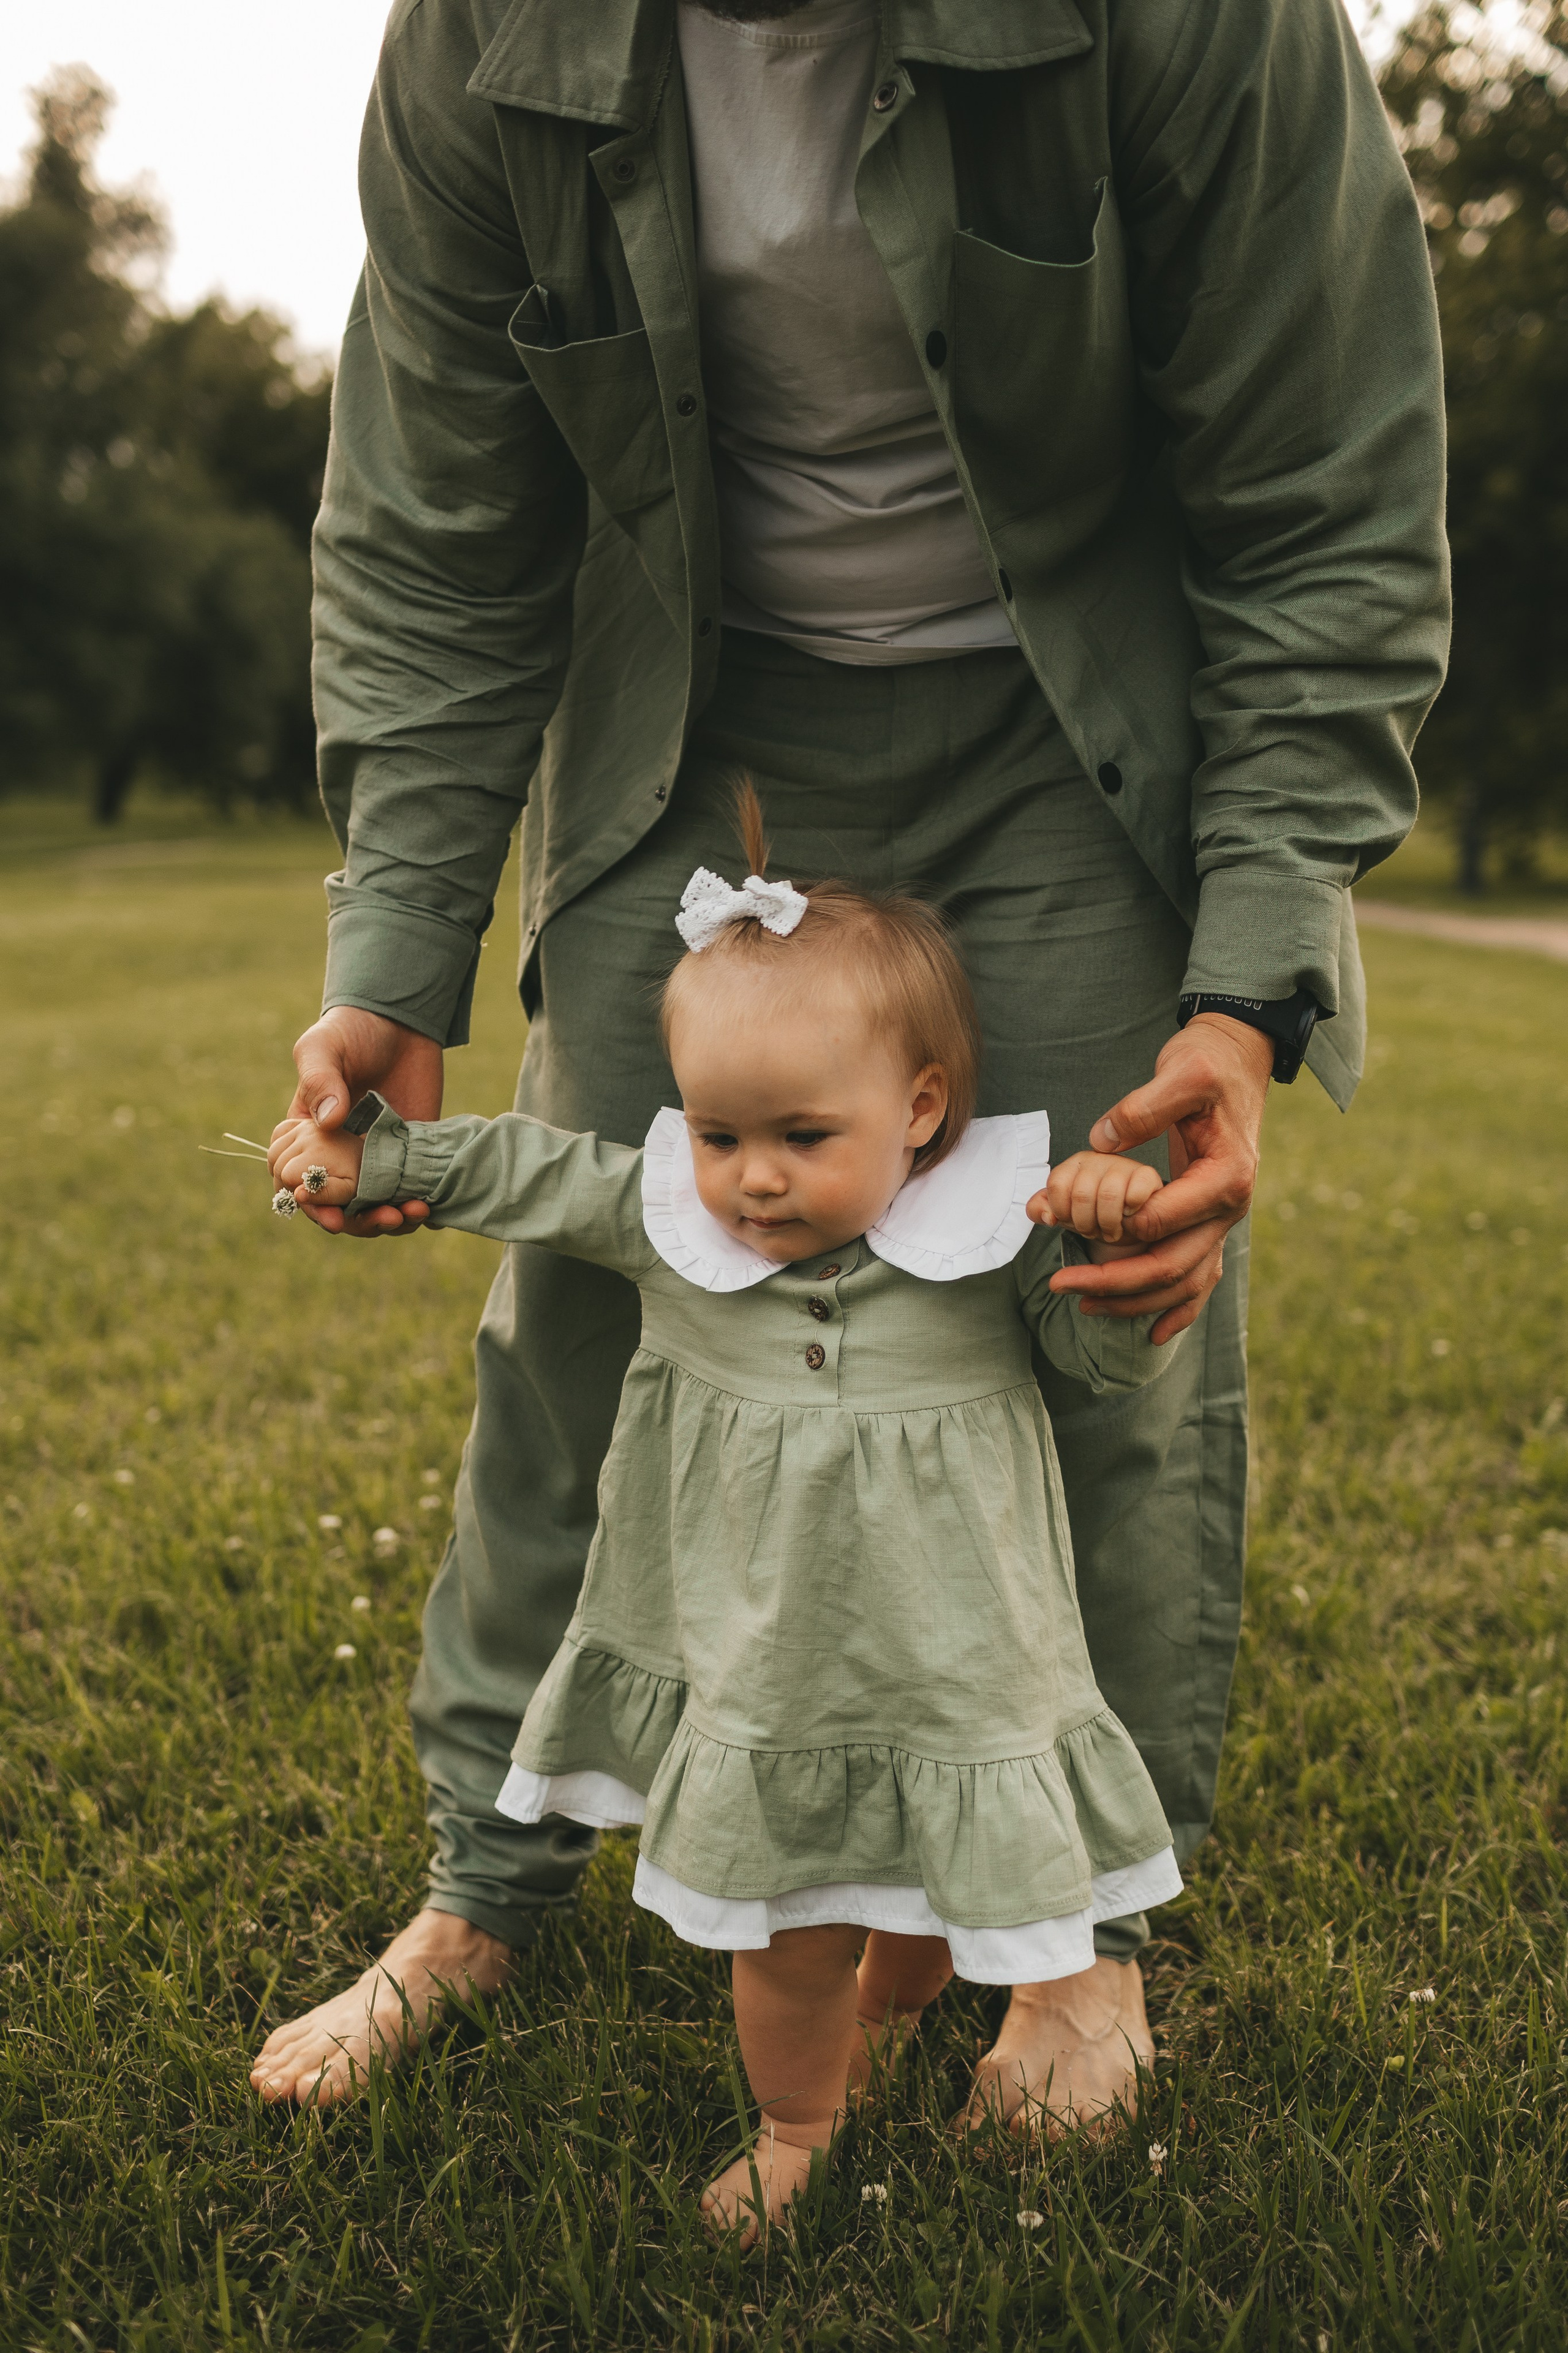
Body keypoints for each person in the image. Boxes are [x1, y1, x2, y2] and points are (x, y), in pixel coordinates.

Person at [247, 0, 1448, 2116]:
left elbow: (1319, 507)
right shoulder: (484, 40)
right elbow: (439, 534)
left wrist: (1242, 999)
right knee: (589, 1327)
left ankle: (1073, 1950)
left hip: (1069, 731)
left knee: (1099, 1311)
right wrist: (396, 960)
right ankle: (487, 1881)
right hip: (691, 726)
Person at [268, 791, 1191, 2229]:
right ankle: (798, 2121)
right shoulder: (674, 1217)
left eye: (801, 1134)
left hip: (953, 1660)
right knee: (790, 1925)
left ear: (923, 1110)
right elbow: (528, 1164)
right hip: (759, 1666)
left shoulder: (988, 1232)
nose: (751, 1177)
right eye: (716, 1130)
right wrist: (388, 1156)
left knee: (928, 1882)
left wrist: (1111, 1234)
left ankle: (898, 2009)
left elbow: (1093, 1358)